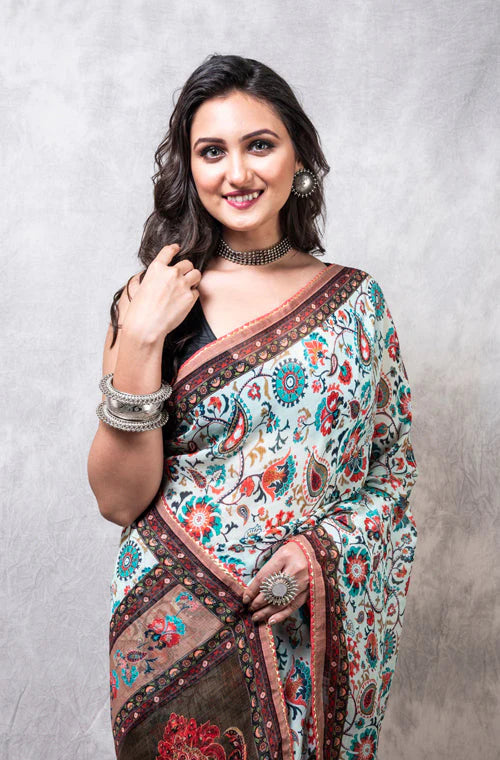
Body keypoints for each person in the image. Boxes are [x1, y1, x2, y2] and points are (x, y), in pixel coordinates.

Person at [87, 54, 419, 760]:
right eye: (212, 151)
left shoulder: (358, 303)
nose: (236, 174)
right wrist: (140, 338)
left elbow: (390, 474)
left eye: (259, 145)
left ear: (299, 156)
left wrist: (312, 558)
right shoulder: (154, 298)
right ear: (189, 168)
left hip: (304, 625)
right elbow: (119, 500)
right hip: (175, 626)